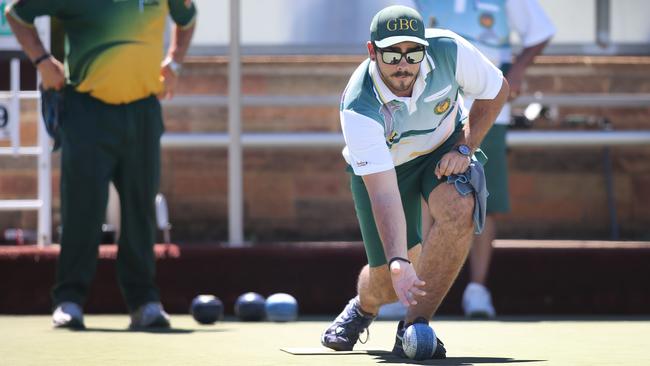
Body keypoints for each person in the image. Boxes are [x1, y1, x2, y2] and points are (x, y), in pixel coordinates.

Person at [321, 5, 508, 358]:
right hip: (387, 173)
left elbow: (497, 89)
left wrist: (465, 147)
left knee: (460, 206)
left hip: (443, 148)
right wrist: (397, 262)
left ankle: (414, 324)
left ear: (425, 46)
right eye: (391, 54)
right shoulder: (358, 107)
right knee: (388, 283)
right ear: (372, 51)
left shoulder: (450, 50)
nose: (403, 64)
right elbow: (384, 194)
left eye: (413, 52)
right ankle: (363, 307)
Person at [5, 0, 197, 329]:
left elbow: (187, 18)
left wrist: (174, 64)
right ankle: (69, 300)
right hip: (86, 111)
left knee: (140, 210)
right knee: (82, 209)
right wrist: (42, 60)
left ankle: (144, 302)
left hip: (143, 112)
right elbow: (16, 13)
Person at [412, 0, 555, 318]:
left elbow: (541, 30)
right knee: (418, 197)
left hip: (489, 108)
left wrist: (516, 72)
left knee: (480, 197)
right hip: (430, 107)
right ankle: (412, 289)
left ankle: (477, 289)